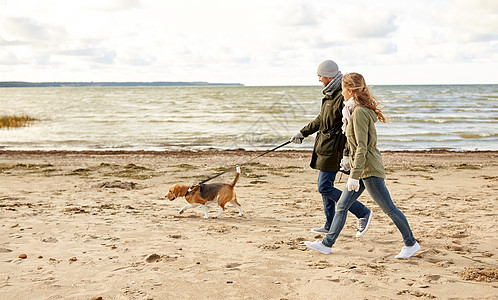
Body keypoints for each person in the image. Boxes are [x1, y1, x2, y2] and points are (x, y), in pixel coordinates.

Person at [305, 72, 421, 258]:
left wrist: (354, 176)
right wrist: (347, 160)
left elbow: (362, 147)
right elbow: (353, 145)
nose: (341, 92)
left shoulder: (358, 113)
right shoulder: (353, 110)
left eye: (343, 89)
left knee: (389, 208)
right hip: (361, 169)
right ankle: (327, 245)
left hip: (369, 170)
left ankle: (410, 243)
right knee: (342, 206)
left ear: (350, 90)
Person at [290, 60, 372, 237]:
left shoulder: (342, 96)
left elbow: (348, 130)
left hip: (335, 150)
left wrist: (346, 155)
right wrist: (302, 133)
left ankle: (362, 212)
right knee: (325, 187)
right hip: (324, 147)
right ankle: (329, 224)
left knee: (324, 187)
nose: (319, 79)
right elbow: (321, 120)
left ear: (328, 76)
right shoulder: (329, 95)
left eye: (320, 76)